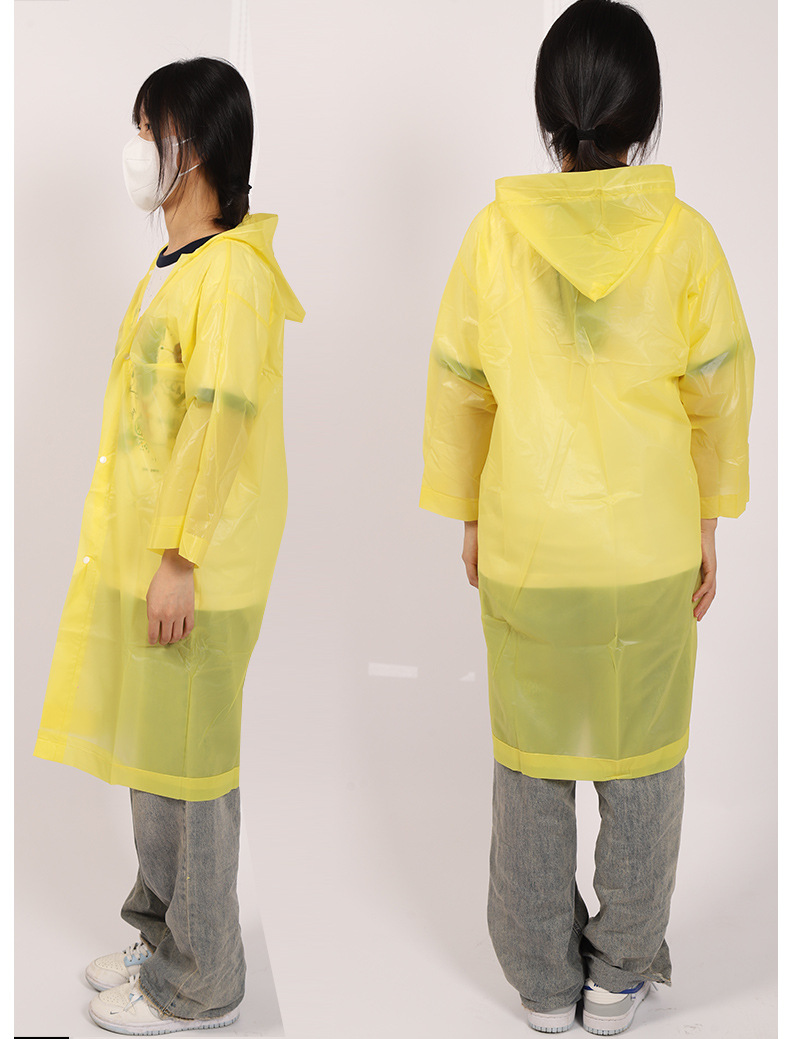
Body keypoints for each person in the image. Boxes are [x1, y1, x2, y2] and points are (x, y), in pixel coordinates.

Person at [419, 1, 754, 1035]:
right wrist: (709, 520)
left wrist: (469, 513)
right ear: (643, 116)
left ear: (548, 114)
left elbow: (459, 383)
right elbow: (719, 389)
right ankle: (618, 975)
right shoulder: (685, 241)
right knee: (641, 762)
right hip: (648, 549)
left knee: (532, 763)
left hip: (530, 545)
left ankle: (540, 979)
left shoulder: (494, 238)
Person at [34, 57, 304, 1034]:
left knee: (191, 778)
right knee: (159, 765)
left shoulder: (229, 275)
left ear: (198, 149)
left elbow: (219, 426)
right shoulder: (177, 268)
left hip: (193, 572)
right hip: (153, 564)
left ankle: (204, 980)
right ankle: (165, 938)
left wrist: (181, 559)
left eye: (151, 132)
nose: (138, 150)